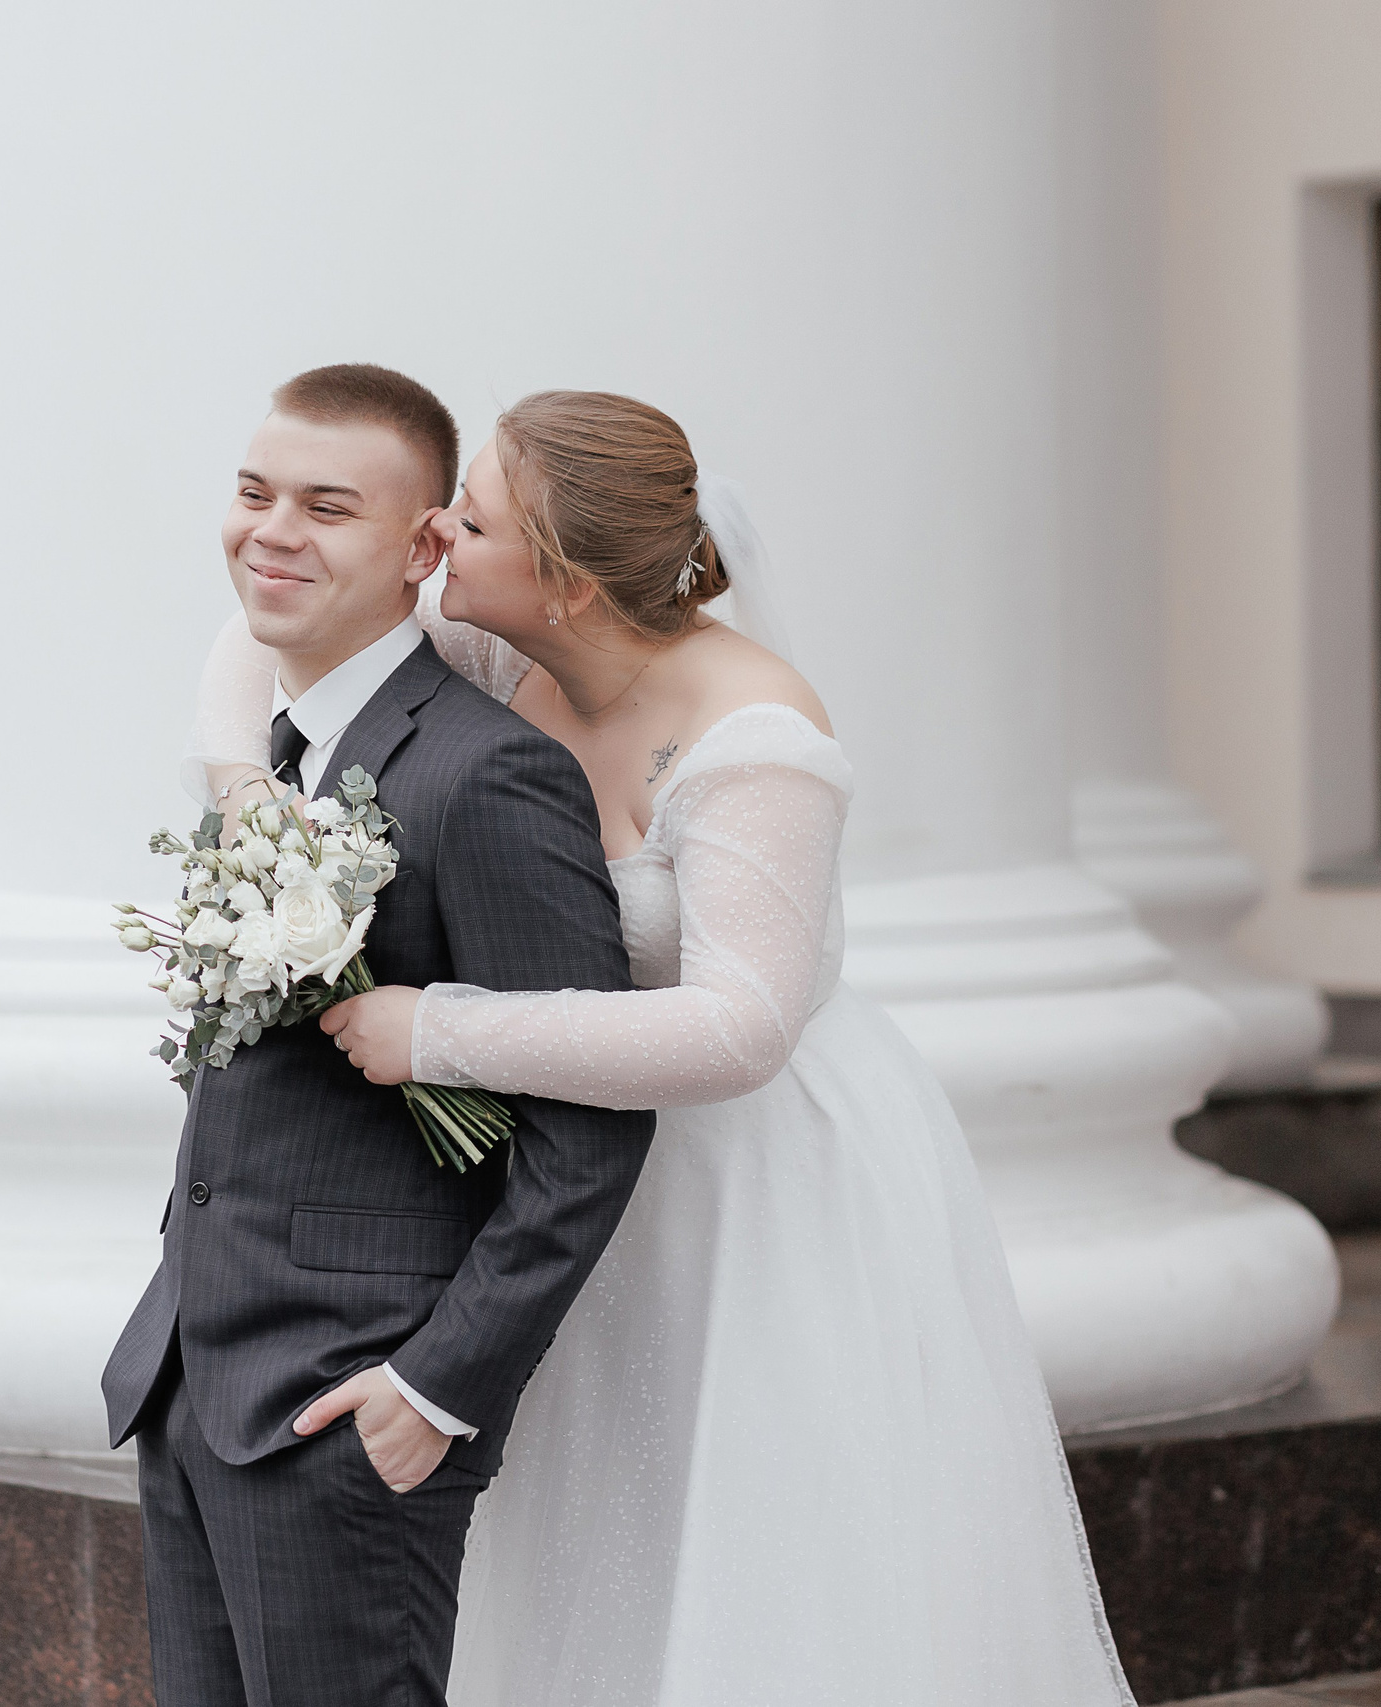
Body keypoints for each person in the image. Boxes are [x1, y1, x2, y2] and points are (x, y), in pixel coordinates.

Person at [185, 387, 1134, 1705]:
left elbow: (742, 1025)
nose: (439, 539)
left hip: (756, 1181)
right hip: (581, 1164)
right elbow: (257, 635)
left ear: (564, 583)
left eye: (473, 520)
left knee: (754, 1543)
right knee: (586, 1529)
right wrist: (249, 800)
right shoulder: (501, 650)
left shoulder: (755, 734)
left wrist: (439, 1030)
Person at [101, 364, 657, 1707]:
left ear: (421, 549)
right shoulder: (279, 763)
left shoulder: (489, 774)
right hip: (192, 1383)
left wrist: (437, 1388)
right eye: (254, 493)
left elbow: (592, 1116)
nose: (272, 530)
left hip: (349, 1407)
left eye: (327, 507)